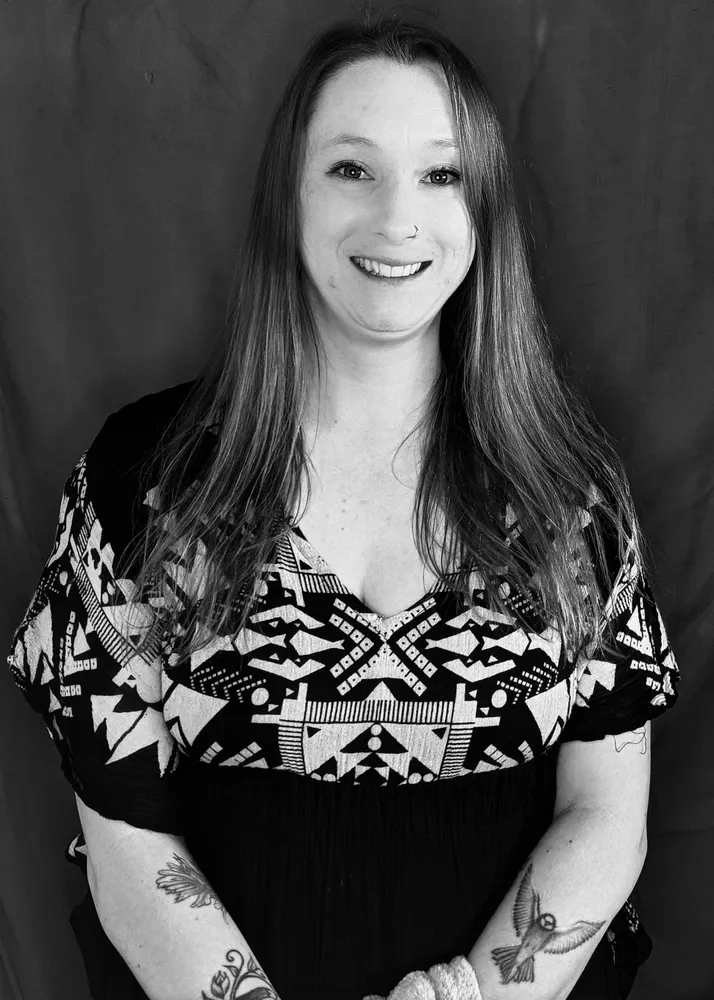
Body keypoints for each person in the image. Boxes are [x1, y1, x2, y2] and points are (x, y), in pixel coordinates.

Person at [5, 10, 679, 1000]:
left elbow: (607, 815)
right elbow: (122, 827)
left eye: (442, 175)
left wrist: (482, 995)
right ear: (291, 199)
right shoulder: (145, 477)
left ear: (482, 210)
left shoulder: (570, 488)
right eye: (352, 169)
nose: (399, 219)